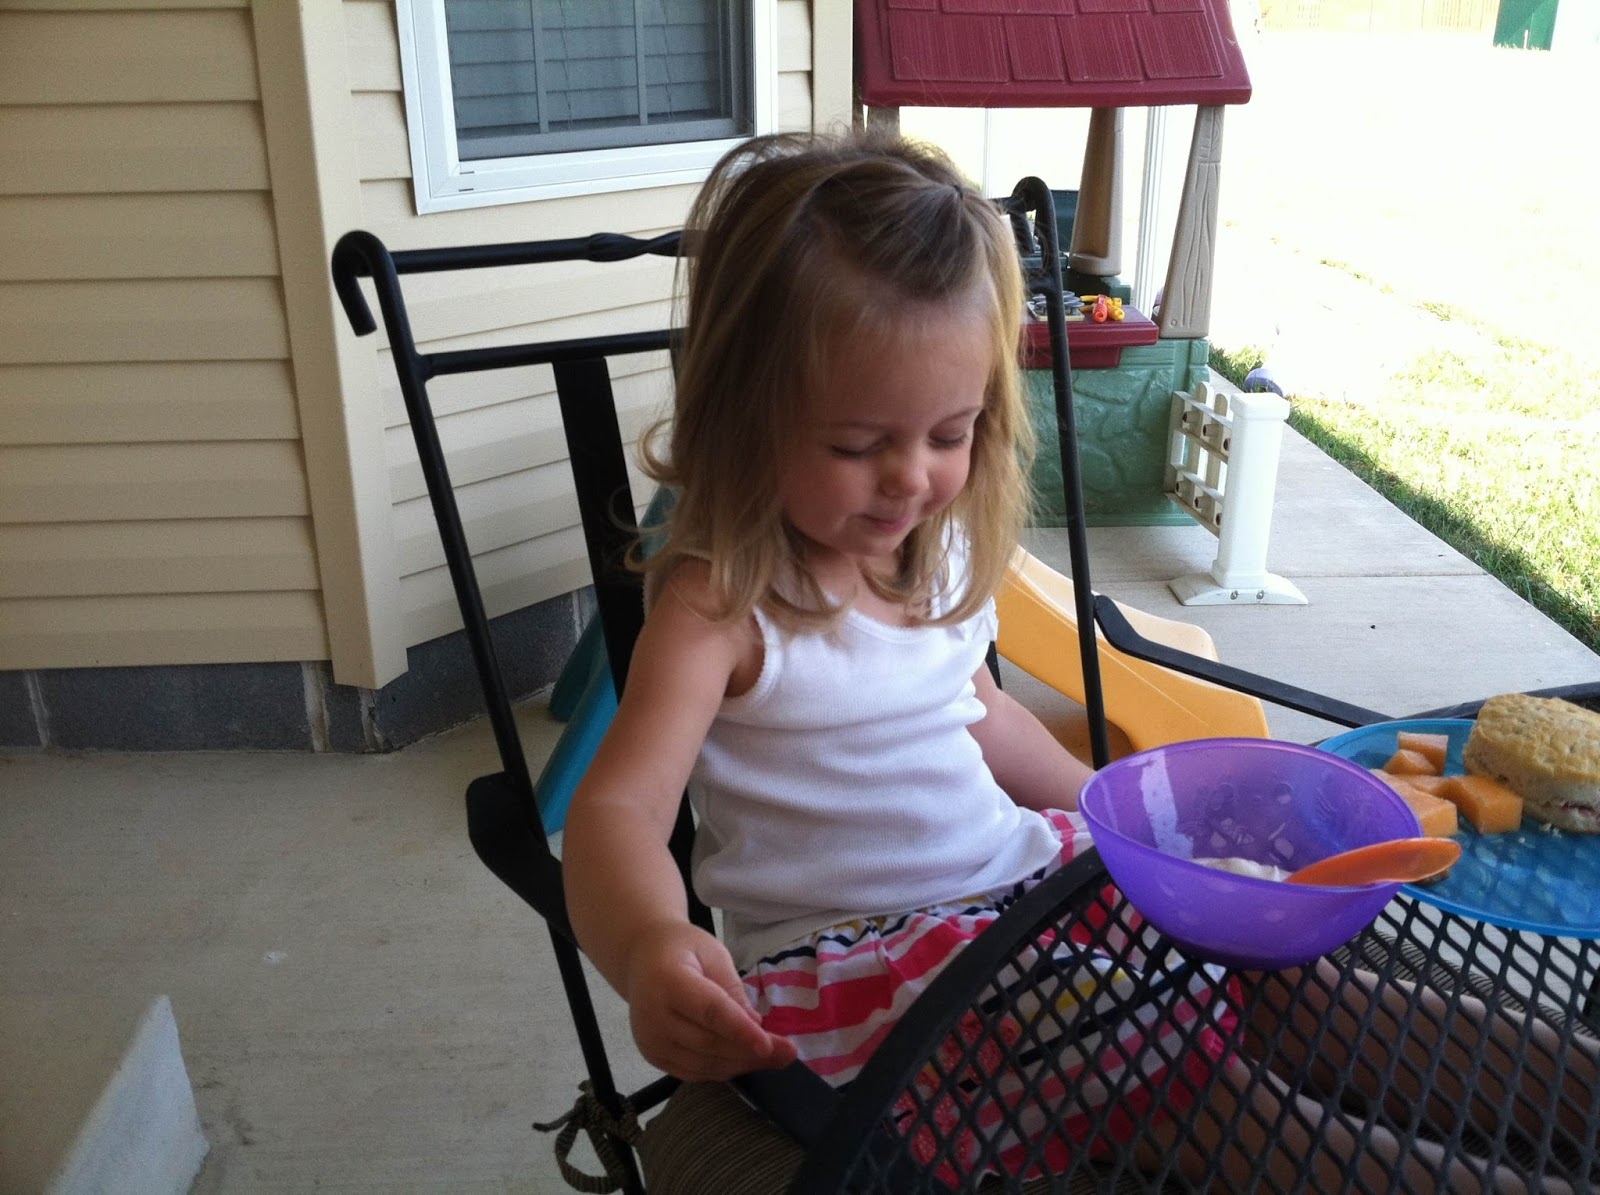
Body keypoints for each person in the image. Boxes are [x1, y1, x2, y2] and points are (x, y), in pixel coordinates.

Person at [562, 130, 1593, 1191]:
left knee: (1285, 976)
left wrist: (1129, 827)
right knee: (1193, 1086)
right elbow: (620, 809)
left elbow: (984, 719)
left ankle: (1577, 1087)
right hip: (870, 961)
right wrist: (649, 945)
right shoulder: (723, 604)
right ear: (744, 416)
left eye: (950, 433)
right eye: (857, 445)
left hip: (1019, 885)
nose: (911, 479)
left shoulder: (935, 551)